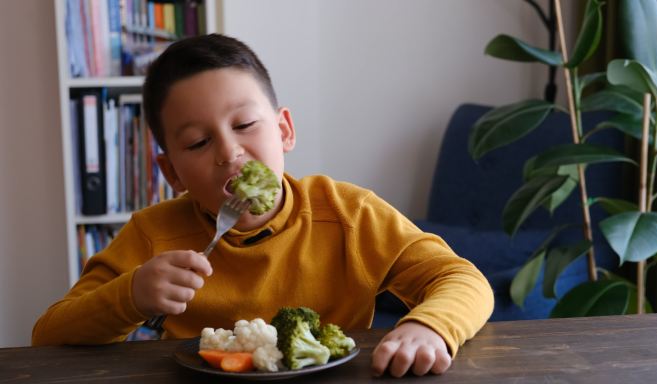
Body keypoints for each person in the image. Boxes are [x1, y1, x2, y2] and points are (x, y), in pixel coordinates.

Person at [33, 34, 493, 377]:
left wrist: (430, 327)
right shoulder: (155, 235)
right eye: (198, 142)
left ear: (284, 131)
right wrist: (131, 295)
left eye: (246, 123)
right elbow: (48, 335)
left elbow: (462, 279)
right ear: (171, 172)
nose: (229, 152)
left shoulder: (348, 214)